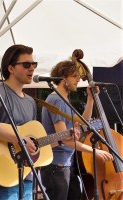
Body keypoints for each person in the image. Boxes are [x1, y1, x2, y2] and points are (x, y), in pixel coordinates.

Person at [0, 44, 79, 200]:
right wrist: (19, 140)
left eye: (33, 64)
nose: (32, 68)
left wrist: (62, 139)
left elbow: (34, 144)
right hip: (1, 177)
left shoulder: (30, 102)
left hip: (26, 177)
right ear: (11, 68)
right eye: (26, 64)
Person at [40, 54, 113, 200]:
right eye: (74, 76)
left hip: (66, 164)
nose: (78, 80)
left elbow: (83, 123)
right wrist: (94, 152)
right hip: (56, 166)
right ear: (63, 78)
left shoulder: (64, 100)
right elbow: (65, 139)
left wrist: (90, 99)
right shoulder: (56, 100)